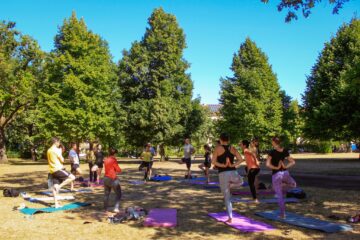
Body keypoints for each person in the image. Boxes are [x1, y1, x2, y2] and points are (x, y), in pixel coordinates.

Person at [212, 133, 245, 223]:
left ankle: (230, 218)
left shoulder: (218, 148)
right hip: (233, 172)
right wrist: (232, 165)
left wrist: (222, 165)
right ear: (228, 140)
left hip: (223, 174)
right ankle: (229, 186)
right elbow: (241, 159)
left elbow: (213, 161)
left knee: (227, 197)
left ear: (221, 139)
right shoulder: (232, 148)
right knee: (241, 181)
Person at [266, 136, 296, 219]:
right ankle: (282, 184)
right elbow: (293, 162)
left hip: (276, 175)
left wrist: (276, 168)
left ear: (273, 142)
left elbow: (267, 164)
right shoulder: (285, 150)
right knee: (293, 185)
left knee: (279, 195)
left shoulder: (271, 152)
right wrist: (285, 167)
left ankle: (282, 214)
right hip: (285, 173)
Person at [47, 137, 75, 208]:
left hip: (52, 171)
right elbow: (62, 160)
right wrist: (60, 152)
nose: (59, 144)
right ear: (56, 142)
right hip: (58, 169)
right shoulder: (56, 150)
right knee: (72, 177)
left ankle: (56, 204)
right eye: (59, 142)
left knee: (55, 187)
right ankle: (60, 187)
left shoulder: (49, 150)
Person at [104, 147, 122, 214]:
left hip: (105, 178)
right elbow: (118, 169)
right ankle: (116, 208)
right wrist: (120, 170)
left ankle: (105, 210)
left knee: (106, 195)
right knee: (119, 194)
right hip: (112, 179)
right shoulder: (113, 159)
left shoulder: (106, 159)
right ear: (114, 153)